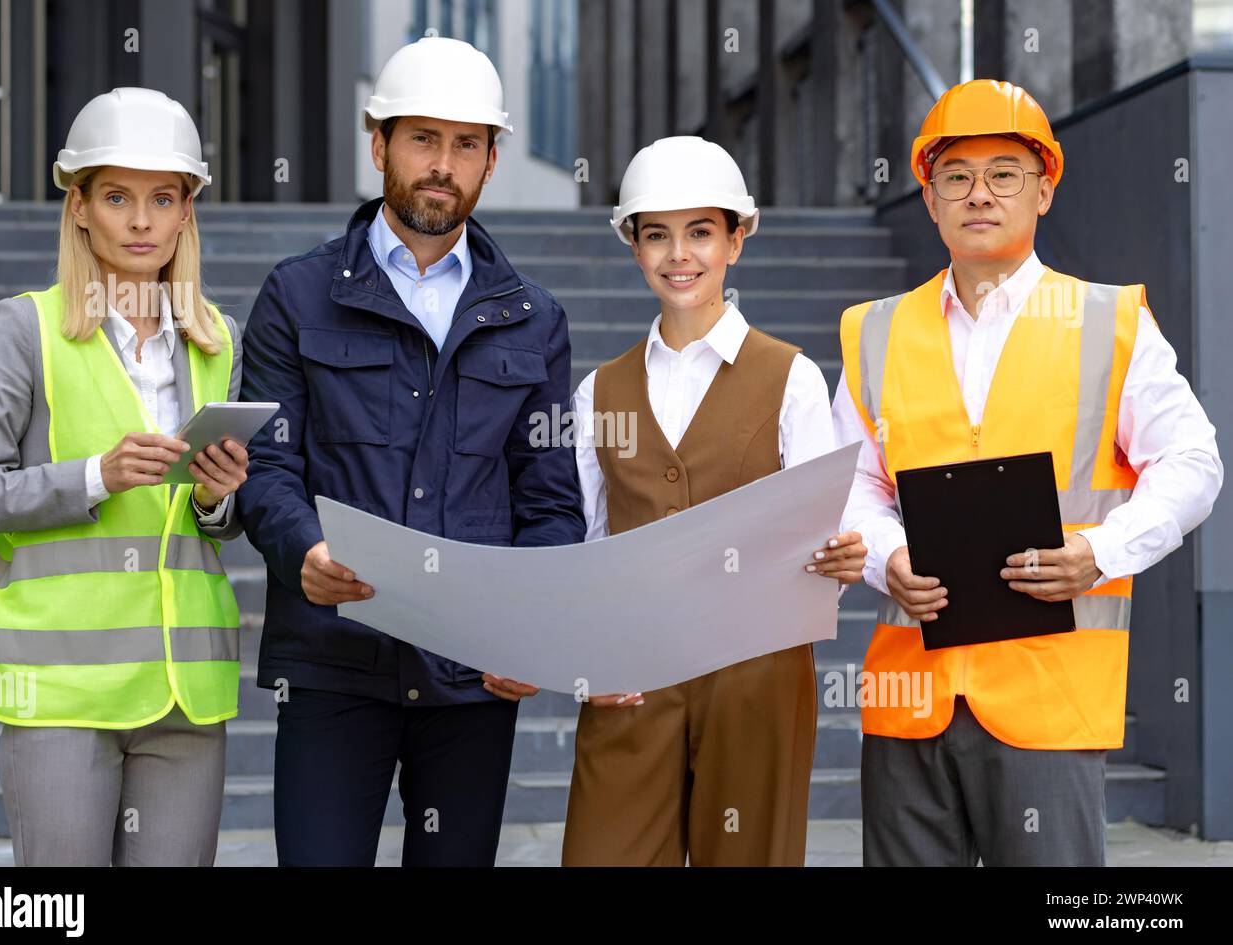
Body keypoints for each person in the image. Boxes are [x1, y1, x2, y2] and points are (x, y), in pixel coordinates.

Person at [835, 79, 1224, 866]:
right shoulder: (874, 332)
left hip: (1051, 696)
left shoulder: (1111, 322)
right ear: (931, 197)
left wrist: (1101, 552)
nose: (980, 193)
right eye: (957, 175)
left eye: (1004, 172)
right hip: (910, 696)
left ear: (1044, 189)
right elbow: (849, 481)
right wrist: (884, 555)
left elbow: (1194, 462)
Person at [235, 36, 584, 867]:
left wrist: (521, 632)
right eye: (423, 139)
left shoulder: (534, 318)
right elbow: (268, 466)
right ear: (379, 144)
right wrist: (303, 551)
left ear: (493, 160)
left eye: (467, 144)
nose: (443, 164)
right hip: (331, 666)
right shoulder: (299, 293)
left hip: (469, 676)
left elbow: (551, 501)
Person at [0, 87, 249, 866]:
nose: (141, 221)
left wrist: (216, 498)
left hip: (185, 692)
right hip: (63, 691)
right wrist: (93, 477)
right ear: (78, 207)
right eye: (116, 197)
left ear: (185, 212)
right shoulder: (25, 327)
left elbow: (219, 521)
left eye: (161, 198)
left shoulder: (218, 340)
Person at [556, 136, 865, 866]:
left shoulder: (791, 378)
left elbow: (823, 532)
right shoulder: (598, 391)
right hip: (632, 674)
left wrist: (843, 555)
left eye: (700, 232)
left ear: (737, 239)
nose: (678, 255)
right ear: (632, 246)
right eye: (656, 234)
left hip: (756, 674)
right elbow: (590, 544)